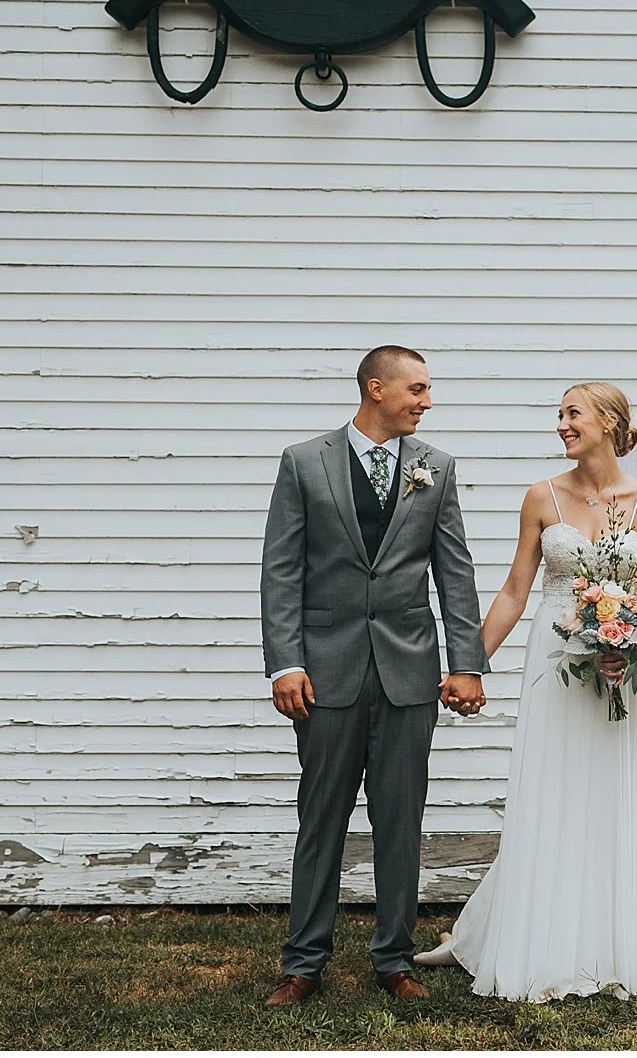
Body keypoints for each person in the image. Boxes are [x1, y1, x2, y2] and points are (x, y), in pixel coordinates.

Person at [414, 381, 637, 1001]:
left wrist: (630, 639)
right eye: (560, 416)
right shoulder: (542, 497)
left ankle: (614, 944)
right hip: (554, 663)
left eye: (573, 415)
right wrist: (470, 664)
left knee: (613, 794)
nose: (562, 426)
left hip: (622, 670)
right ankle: (522, 938)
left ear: (609, 423)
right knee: (551, 794)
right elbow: (516, 590)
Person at [259, 345, 489, 1006]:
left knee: (400, 819)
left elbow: (455, 571)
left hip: (407, 673)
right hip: (323, 673)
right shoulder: (304, 462)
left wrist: (465, 662)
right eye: (416, 388)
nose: (427, 399)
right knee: (320, 817)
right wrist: (287, 660)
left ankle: (393, 959)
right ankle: (303, 962)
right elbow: (281, 568)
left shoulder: (434, 468)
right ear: (375, 388)